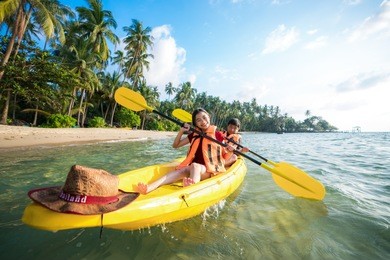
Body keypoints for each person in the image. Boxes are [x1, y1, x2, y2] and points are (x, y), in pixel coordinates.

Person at [136, 108, 234, 194]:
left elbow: (224, 157)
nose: (203, 121)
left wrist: (230, 150)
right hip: (193, 168)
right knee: (182, 170)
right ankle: (150, 187)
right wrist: (181, 131)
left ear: (209, 116)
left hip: (209, 171)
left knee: (195, 166)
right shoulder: (194, 135)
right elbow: (176, 145)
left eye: (204, 117)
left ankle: (191, 189)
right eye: (198, 120)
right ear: (195, 124)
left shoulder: (218, 135)